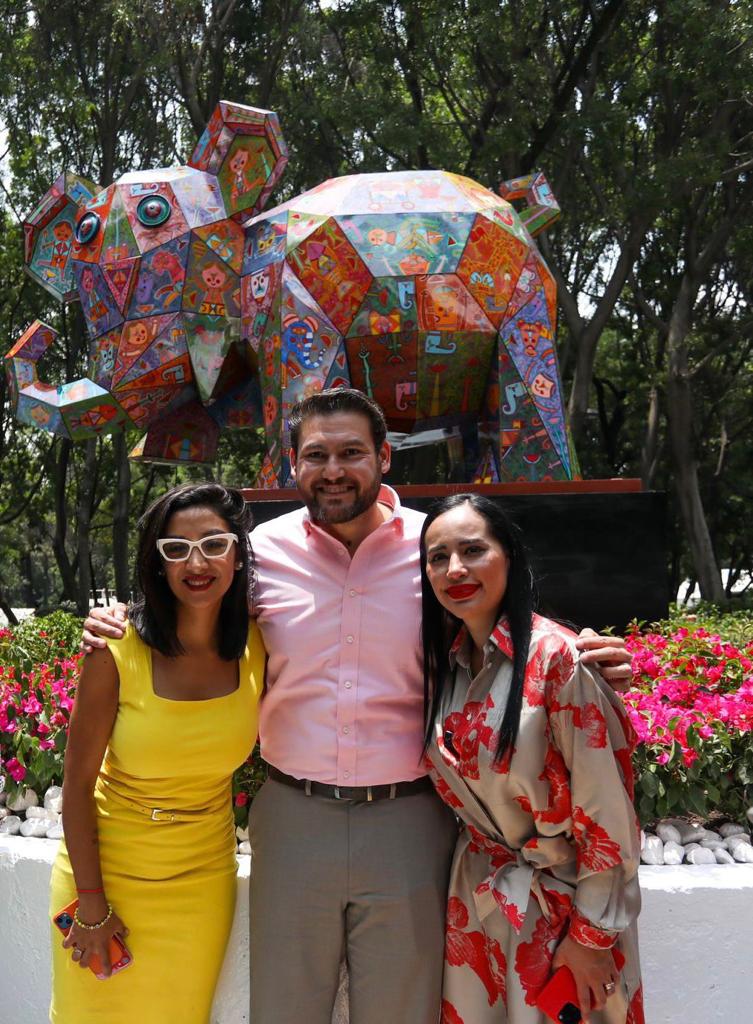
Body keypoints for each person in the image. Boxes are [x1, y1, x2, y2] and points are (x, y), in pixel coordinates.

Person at [83, 389, 634, 1024]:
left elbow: (500, 626)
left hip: (410, 821)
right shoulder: (260, 554)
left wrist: (589, 653)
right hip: (293, 820)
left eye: (351, 452)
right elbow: (190, 610)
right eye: (316, 454)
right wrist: (119, 615)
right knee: (284, 1011)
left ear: (385, 458)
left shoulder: (434, 549)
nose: (334, 469)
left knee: (401, 1012)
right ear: (293, 465)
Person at [420, 492, 643, 1024]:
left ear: (510, 558)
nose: (455, 569)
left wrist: (591, 939)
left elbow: (607, 812)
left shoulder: (558, 659)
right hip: (480, 903)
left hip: (568, 911)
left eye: (473, 550)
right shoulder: (446, 664)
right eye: (437, 557)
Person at [52, 483, 264, 1024]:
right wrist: (93, 904)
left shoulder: (260, 645)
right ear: (158, 563)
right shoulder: (115, 649)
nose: (197, 562)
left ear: (238, 554)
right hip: (107, 877)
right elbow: (75, 785)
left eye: (214, 544)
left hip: (201, 881)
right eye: (176, 549)